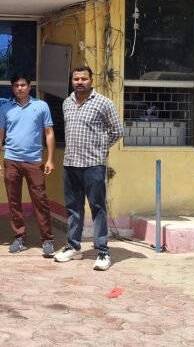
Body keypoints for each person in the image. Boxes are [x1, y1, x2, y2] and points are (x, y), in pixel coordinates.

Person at [54, 65, 123, 271]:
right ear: (71, 81)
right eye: (76, 79)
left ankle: (102, 252)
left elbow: (117, 130)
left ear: (91, 80)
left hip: (93, 165)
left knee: (97, 208)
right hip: (70, 164)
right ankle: (73, 247)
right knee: (73, 208)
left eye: (84, 79)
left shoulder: (103, 103)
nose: (80, 82)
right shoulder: (67, 102)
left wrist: (101, 148)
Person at [0, 73, 56, 257]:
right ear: (12, 88)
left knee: (40, 200)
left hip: (34, 160)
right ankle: (19, 237)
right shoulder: (6, 108)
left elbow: (49, 132)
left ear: (30, 87)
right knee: (14, 201)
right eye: (16, 85)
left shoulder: (41, 106)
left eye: (23, 85)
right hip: (11, 160)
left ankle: (47, 239)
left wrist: (50, 159)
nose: (19, 88)